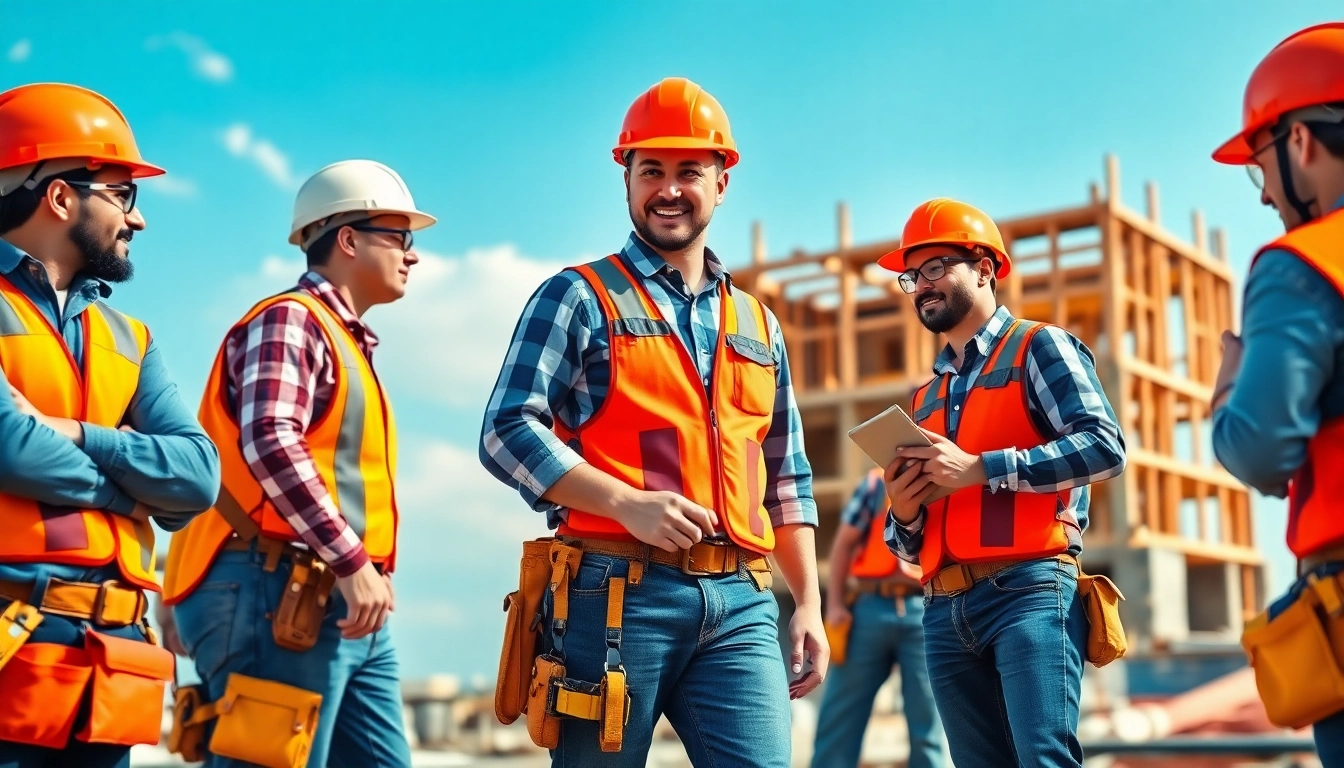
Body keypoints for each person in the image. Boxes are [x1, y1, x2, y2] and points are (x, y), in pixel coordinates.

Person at [480, 76, 827, 767]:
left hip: (743, 601)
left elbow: (786, 474)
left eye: (689, 172)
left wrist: (809, 606)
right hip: (612, 599)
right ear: (627, 179)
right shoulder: (577, 296)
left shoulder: (759, 322)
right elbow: (506, 429)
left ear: (722, 182)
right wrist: (625, 504)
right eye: (652, 172)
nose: (669, 189)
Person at [160, 159, 436, 767]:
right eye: (400, 236)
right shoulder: (292, 320)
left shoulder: (342, 339)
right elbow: (269, 440)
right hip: (281, 590)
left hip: (331, 595)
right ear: (347, 239)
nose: (412, 255)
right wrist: (351, 560)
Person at [0, 82, 220, 768]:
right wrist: (134, 494)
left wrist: (77, 434)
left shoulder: (130, 336)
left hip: (111, 656)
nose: (139, 219)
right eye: (123, 195)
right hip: (12, 647)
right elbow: (11, 448)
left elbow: (198, 476)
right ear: (62, 196)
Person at [878, 198, 1126, 767]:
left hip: (1029, 591)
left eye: (936, 267)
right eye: (912, 276)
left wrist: (982, 468)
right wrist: (904, 512)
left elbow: (1104, 447)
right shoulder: (925, 396)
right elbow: (908, 546)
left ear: (986, 267)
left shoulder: (1040, 346)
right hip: (943, 608)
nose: (921, 286)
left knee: (1042, 758)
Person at [1206, 21, 1344, 763]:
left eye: (1259, 167)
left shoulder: (1303, 265)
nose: (1264, 197)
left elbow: (1261, 453)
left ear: (1300, 141)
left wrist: (1227, 394)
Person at [811, 467, 944, 768]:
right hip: (869, 609)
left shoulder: (945, 477)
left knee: (929, 719)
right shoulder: (874, 484)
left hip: (926, 608)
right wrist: (833, 606)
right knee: (839, 716)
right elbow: (844, 542)